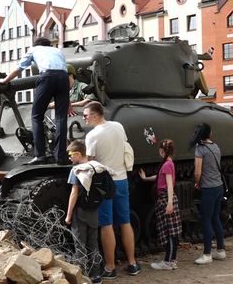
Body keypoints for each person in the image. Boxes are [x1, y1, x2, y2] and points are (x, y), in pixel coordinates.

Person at [83, 101, 141, 279]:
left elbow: (89, 162)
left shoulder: (92, 136)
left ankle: (110, 267)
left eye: (85, 115)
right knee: (125, 221)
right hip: (122, 179)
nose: (84, 118)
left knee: (106, 225)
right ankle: (132, 263)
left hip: (104, 184)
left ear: (94, 115)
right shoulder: (118, 126)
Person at [0, 37, 70, 165]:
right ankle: (61, 156)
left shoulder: (34, 49)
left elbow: (19, 68)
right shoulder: (58, 51)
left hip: (47, 77)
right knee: (61, 118)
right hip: (64, 79)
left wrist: (5, 80)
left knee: (36, 116)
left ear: (36, 44)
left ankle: (40, 155)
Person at [65, 140, 111, 284]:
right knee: (93, 243)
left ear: (78, 154)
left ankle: (82, 276)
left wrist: (68, 215)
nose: (70, 158)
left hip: (80, 212)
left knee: (80, 244)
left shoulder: (77, 170)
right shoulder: (96, 167)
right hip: (94, 210)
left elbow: (74, 193)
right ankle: (96, 275)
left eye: (71, 155)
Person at [139, 139, 181, 270]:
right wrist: (146, 178)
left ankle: (169, 262)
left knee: (170, 232)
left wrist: (169, 203)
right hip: (165, 198)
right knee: (171, 231)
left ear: (161, 151)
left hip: (165, 199)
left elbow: (169, 185)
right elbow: (160, 177)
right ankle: (171, 260)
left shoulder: (167, 164)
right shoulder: (168, 163)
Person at [190, 123, 226, 265]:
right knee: (215, 218)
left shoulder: (200, 149)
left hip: (208, 189)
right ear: (209, 134)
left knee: (205, 219)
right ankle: (221, 250)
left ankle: (207, 254)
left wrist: (197, 183)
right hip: (219, 187)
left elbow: (198, 171)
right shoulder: (216, 147)